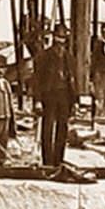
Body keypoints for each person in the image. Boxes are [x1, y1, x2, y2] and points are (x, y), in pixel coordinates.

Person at [33, 27, 78, 167]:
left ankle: (58, 160)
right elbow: (37, 80)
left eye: (63, 38)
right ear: (53, 38)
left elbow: (73, 80)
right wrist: (38, 100)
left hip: (64, 96)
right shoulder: (44, 56)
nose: (60, 41)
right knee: (47, 129)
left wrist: (75, 101)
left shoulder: (69, 58)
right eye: (58, 37)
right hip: (49, 96)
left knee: (62, 128)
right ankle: (47, 161)